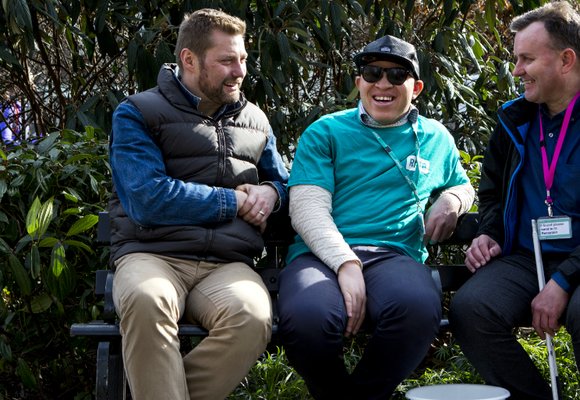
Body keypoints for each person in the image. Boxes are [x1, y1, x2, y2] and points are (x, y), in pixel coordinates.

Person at [277, 34, 475, 399]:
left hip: (394, 255)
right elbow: (306, 209)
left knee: (417, 308)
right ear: (359, 84)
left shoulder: (436, 137)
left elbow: (463, 185)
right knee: (308, 317)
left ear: (415, 87)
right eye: (372, 73)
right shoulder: (326, 131)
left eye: (397, 76)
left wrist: (452, 200)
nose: (383, 84)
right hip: (320, 256)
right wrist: (345, 263)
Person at [107, 9, 289, 400]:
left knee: (253, 316)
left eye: (242, 59)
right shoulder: (138, 113)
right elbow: (147, 198)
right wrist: (232, 202)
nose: (239, 71)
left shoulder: (256, 121)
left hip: (226, 265)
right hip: (152, 254)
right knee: (145, 299)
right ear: (189, 60)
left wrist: (273, 193)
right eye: (226, 61)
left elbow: (286, 184)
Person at [449, 2, 580, 399]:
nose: (517, 69)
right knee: (472, 309)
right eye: (516, 58)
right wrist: (489, 233)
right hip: (527, 256)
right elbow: (490, 192)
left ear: (566, 59)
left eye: (527, 59)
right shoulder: (515, 120)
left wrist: (563, 279)